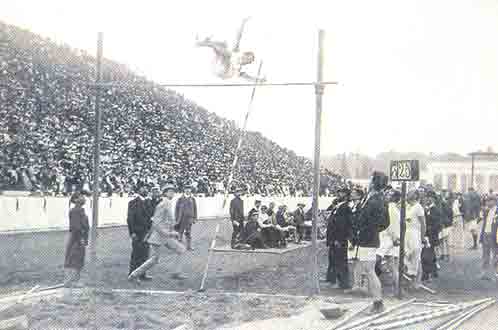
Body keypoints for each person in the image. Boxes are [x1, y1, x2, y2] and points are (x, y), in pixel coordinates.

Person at [128, 184, 187, 282]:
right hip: (159, 236)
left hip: (165, 236)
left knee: (181, 250)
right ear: (165, 193)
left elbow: (167, 221)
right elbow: (156, 222)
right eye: (170, 191)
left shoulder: (167, 203)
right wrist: (169, 233)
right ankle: (133, 275)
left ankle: (176, 273)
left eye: (173, 191)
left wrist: (171, 232)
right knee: (154, 259)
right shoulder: (163, 204)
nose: (172, 193)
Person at [351, 172, 390, 314]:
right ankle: (376, 300)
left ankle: (378, 303)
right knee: (368, 270)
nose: (368, 182)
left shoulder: (377, 200)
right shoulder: (372, 197)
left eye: (370, 179)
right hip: (366, 238)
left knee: (369, 270)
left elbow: (384, 222)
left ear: (374, 182)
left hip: (369, 239)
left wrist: (368, 230)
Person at [195, 17, 263, 83]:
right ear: (244, 54)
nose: (246, 60)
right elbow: (238, 36)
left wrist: (259, 80)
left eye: (248, 61)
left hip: (223, 70)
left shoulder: (238, 69)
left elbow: (248, 77)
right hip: (218, 66)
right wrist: (243, 23)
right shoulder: (235, 53)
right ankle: (204, 43)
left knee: (228, 52)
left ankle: (205, 43)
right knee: (224, 45)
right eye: (247, 58)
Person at [324, 187, 352, 289]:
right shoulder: (338, 206)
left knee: (340, 260)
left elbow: (342, 225)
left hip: (339, 238)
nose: (338, 194)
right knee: (333, 259)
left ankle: (343, 283)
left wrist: (338, 239)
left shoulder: (345, 207)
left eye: (340, 193)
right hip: (333, 238)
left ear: (345, 195)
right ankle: (333, 279)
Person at [375, 189, 401, 292]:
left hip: (387, 239)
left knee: (375, 260)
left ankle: (396, 289)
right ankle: (396, 289)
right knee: (392, 265)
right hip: (388, 238)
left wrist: (394, 238)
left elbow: (392, 226)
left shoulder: (391, 209)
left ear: (394, 197)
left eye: (389, 194)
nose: (386, 195)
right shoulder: (391, 208)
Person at [127, 186, 153, 281]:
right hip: (137, 232)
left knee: (145, 253)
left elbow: (151, 217)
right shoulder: (133, 203)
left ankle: (142, 274)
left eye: (146, 188)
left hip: (146, 232)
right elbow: (130, 219)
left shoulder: (148, 202)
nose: (145, 189)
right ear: (139, 190)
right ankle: (132, 274)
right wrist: (132, 232)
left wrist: (150, 231)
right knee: (136, 254)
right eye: (143, 188)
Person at [64, 192, 89, 287]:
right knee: (74, 258)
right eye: (81, 197)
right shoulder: (75, 211)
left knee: (79, 258)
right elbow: (76, 227)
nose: (84, 198)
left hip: (80, 237)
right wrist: (81, 238)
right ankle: (71, 281)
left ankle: (75, 280)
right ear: (76, 200)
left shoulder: (81, 210)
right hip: (76, 238)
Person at [404, 190, 426, 284]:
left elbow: (423, 224)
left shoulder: (418, 207)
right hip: (407, 233)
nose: (407, 195)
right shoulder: (408, 206)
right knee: (407, 255)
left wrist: (422, 237)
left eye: (410, 194)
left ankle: (417, 282)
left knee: (416, 257)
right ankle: (411, 279)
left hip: (415, 233)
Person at [479, 194, 498, 281]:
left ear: (494, 201)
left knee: (495, 255)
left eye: (489, 201)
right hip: (486, 234)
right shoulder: (487, 211)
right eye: (487, 201)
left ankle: (495, 273)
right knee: (485, 255)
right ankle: (484, 273)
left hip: (494, 235)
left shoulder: (497, 211)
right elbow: (484, 223)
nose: (487, 202)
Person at [424, 191, 442, 278]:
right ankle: (433, 271)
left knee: (429, 254)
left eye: (429, 197)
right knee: (430, 253)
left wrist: (428, 215)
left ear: (433, 199)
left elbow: (438, 224)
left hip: (432, 235)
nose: (427, 199)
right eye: (427, 197)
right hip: (427, 234)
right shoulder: (425, 209)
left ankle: (428, 273)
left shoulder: (436, 210)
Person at [175, 184, 198, 251]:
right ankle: (178, 248)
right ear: (184, 190)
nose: (188, 190)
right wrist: (176, 219)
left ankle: (189, 247)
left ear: (191, 190)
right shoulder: (180, 199)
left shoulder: (193, 199)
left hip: (189, 219)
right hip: (181, 219)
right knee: (180, 234)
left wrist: (195, 218)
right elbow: (176, 210)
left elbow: (195, 209)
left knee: (188, 234)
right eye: (186, 189)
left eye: (189, 189)